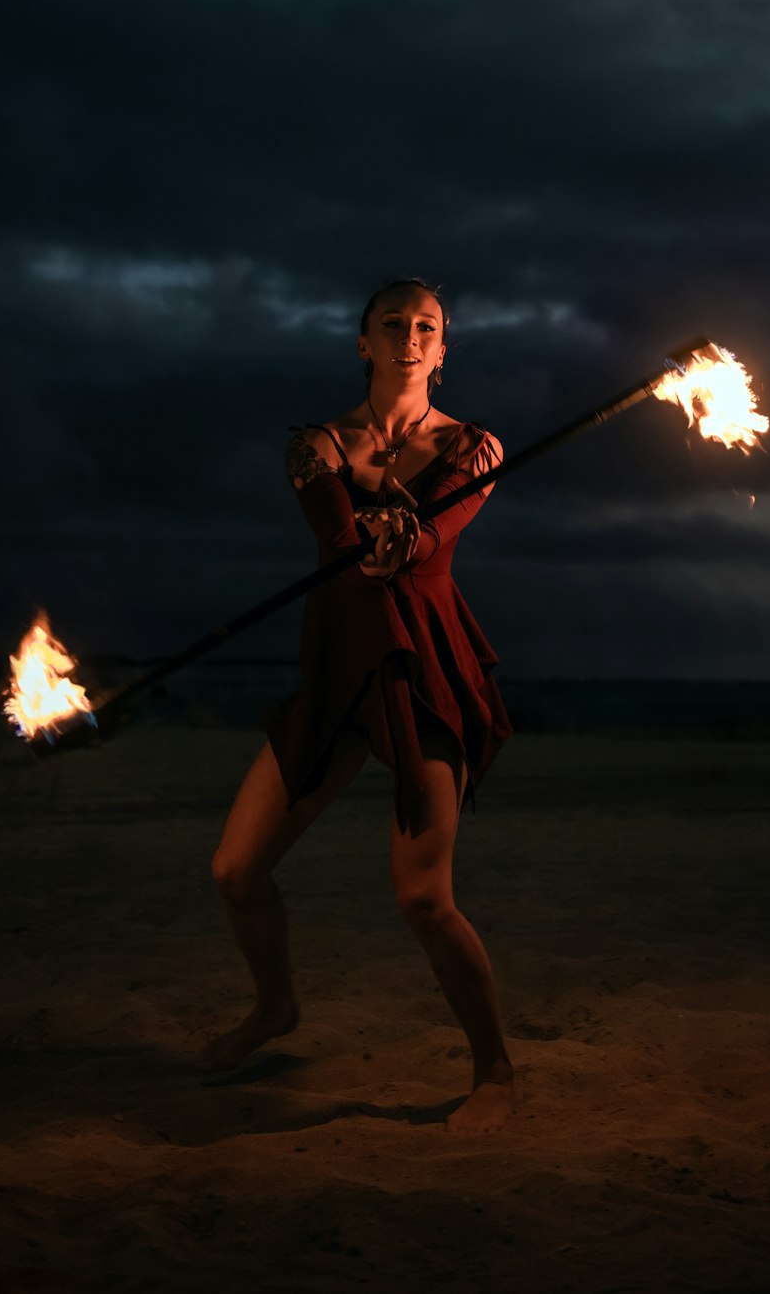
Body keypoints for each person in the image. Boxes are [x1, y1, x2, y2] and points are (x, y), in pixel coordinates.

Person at [205, 277, 515, 1134]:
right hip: (341, 666)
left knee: (423, 897)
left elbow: (435, 536)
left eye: (428, 327)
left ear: (443, 352)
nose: (411, 337)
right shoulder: (317, 444)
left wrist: (408, 537)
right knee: (235, 870)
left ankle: (496, 1070)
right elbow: (338, 537)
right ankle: (276, 1008)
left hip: (425, 670)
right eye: (394, 324)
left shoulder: (477, 447)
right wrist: (367, 542)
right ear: (363, 343)